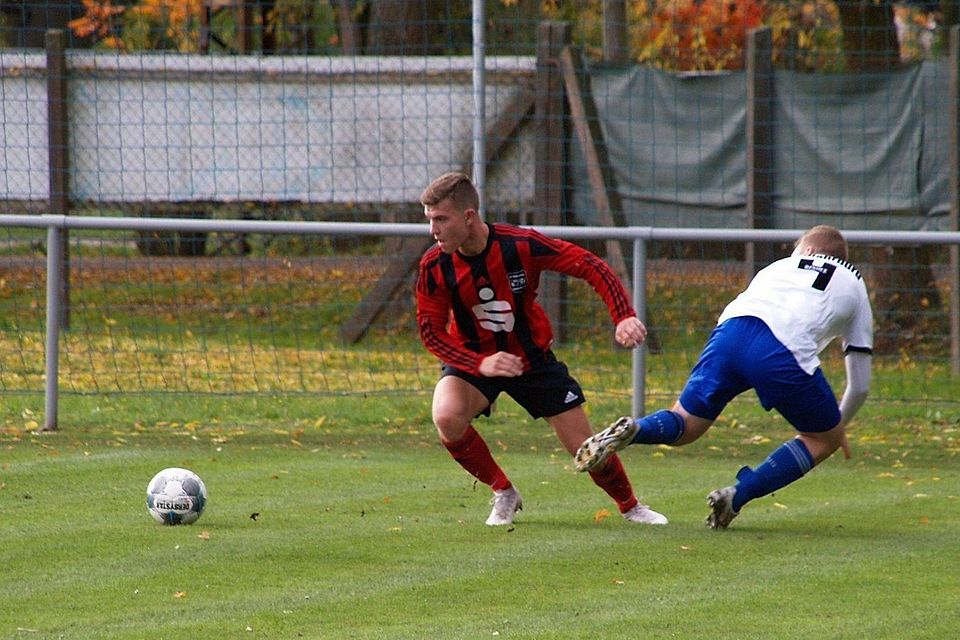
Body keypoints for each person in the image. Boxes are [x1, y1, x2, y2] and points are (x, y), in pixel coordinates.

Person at [575, 225, 873, 529]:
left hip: (730, 333)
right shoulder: (855, 283)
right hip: (781, 350)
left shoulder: (779, 266)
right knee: (823, 438)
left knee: (686, 425)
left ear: (808, 251)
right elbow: (860, 386)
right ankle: (736, 496)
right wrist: (838, 428)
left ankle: (635, 429)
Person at [415, 171, 666, 526]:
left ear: (469, 217)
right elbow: (431, 333)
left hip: (531, 360)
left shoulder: (519, 245)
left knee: (586, 450)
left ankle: (630, 506)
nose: (433, 230)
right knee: (446, 415)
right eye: (430, 220)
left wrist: (623, 315)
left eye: (441, 219)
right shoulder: (434, 265)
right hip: (475, 361)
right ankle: (503, 492)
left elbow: (590, 265)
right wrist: (479, 362)